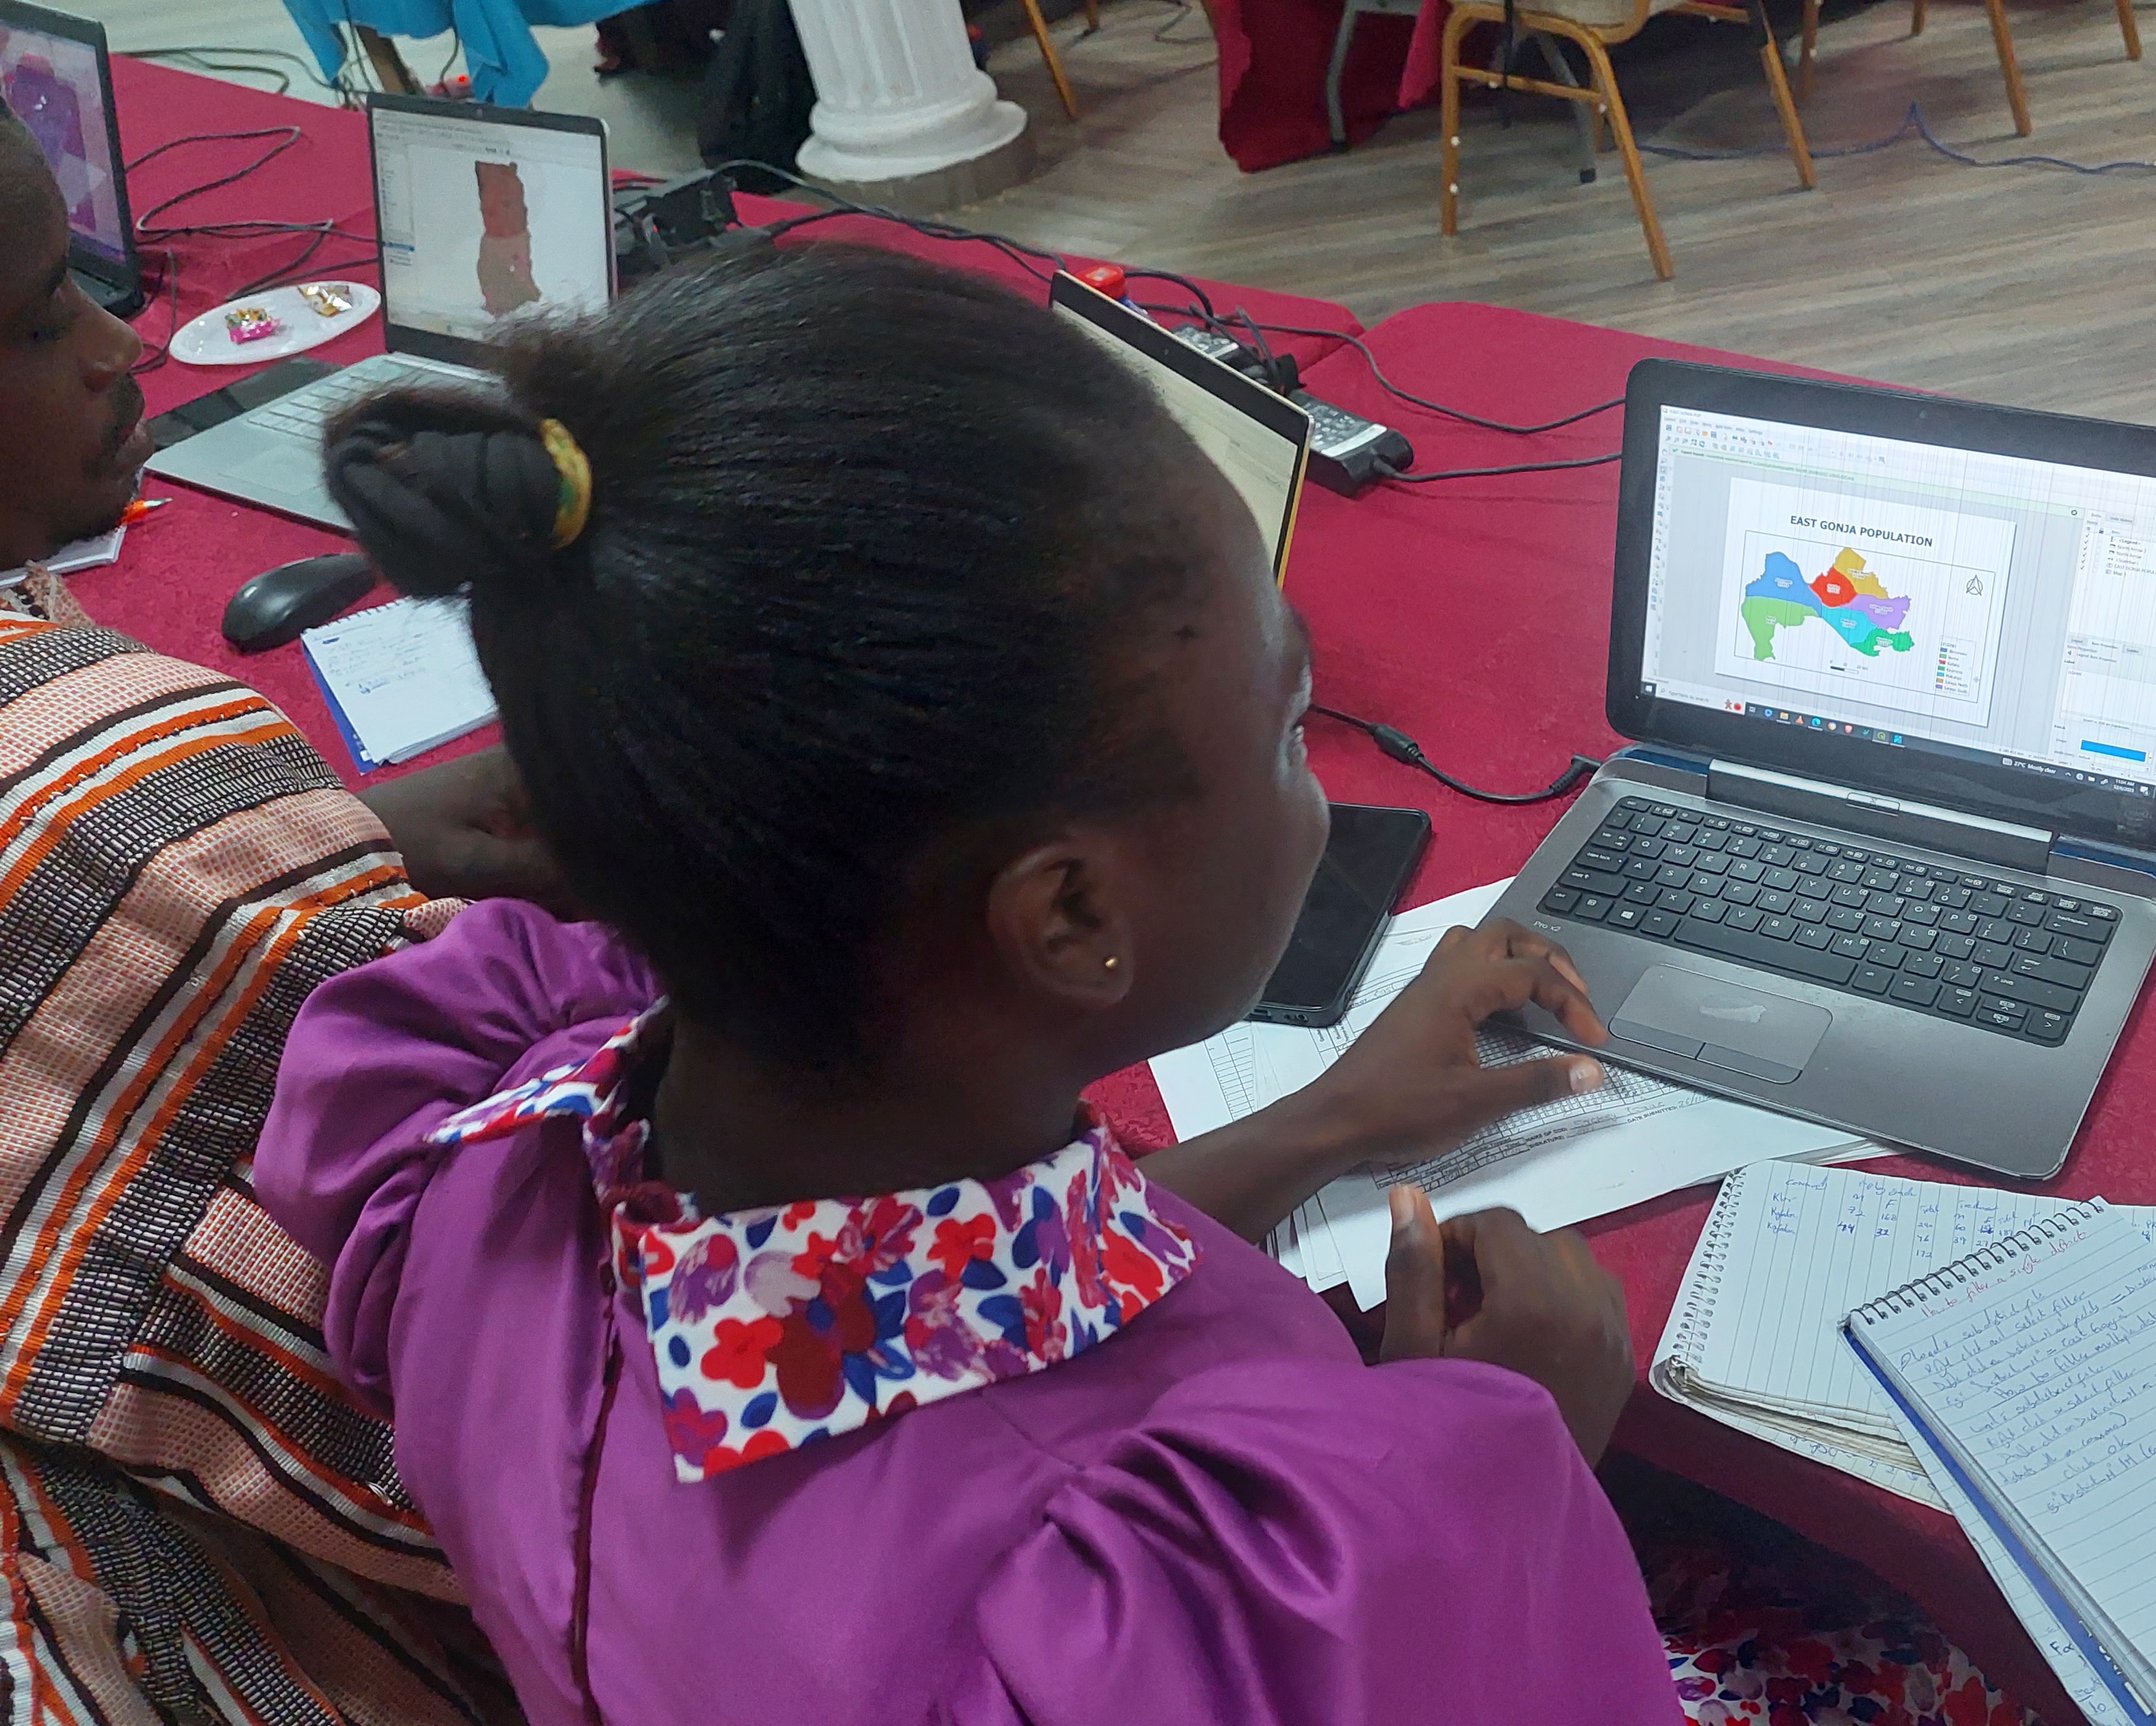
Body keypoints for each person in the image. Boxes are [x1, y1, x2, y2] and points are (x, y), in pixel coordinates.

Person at [255, 242, 2047, 1725]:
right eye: (1287, 725)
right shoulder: (1207, 1609)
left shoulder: (460, 1159)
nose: (1322, 781)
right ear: (1068, 917)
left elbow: (879, 1320)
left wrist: (1336, 1122)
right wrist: (1515, 1475)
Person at [0, 107, 547, 1722]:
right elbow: (608, 1417)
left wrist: (328, 844)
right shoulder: (100, 803)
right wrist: (1324, 1130)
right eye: (41, 321)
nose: (118, 353)